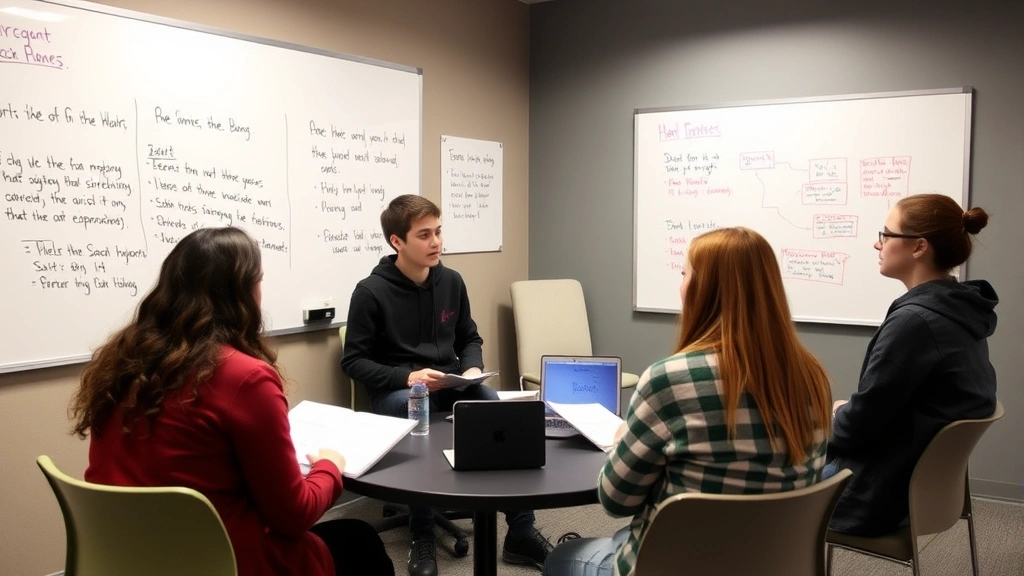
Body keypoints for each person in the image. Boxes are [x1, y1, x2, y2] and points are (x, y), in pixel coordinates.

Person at [69, 227, 394, 576]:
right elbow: (293, 515)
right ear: (241, 292)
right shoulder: (244, 377)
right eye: (259, 281)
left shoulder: (124, 359)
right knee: (360, 540)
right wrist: (329, 466)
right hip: (222, 559)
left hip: (129, 556)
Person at [543, 227, 833, 576]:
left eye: (684, 273)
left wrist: (625, 439)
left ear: (701, 288)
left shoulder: (671, 380)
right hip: (775, 564)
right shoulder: (813, 376)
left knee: (563, 558)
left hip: (677, 565)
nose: (681, 283)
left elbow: (616, 500)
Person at [342, 195, 553, 576]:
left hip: (453, 383)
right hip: (401, 391)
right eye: (424, 235)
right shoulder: (370, 292)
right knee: (418, 412)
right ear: (397, 242)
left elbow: (469, 338)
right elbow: (354, 362)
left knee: (497, 412)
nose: (436, 242)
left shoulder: (452, 282)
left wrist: (472, 370)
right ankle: (422, 535)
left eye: (438, 232)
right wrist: (408, 376)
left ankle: (521, 531)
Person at [826, 194, 998, 536]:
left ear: (919, 247)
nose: (878, 244)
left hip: (877, 495)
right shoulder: (959, 310)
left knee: (769, 480)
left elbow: (855, 429)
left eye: (886, 235)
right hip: (924, 490)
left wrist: (834, 420)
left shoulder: (916, 323)